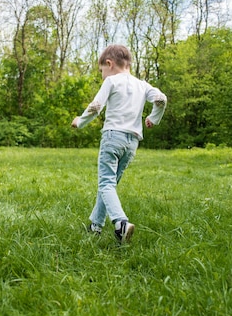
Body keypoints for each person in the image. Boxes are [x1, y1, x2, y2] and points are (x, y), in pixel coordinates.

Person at [71, 44, 167, 243]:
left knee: (106, 183)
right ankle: (96, 225)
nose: (102, 76)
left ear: (109, 64)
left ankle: (121, 223)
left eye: (101, 71)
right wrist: (154, 118)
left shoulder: (112, 81)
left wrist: (80, 122)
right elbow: (160, 99)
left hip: (113, 137)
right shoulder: (142, 85)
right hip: (132, 142)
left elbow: (96, 106)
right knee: (110, 185)